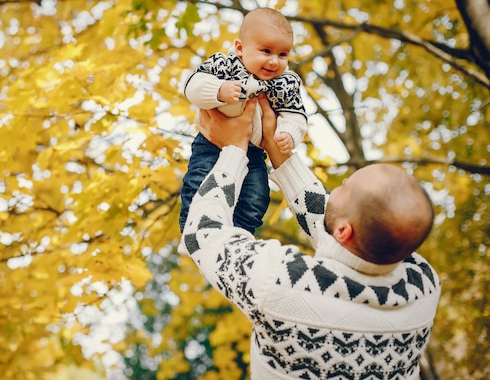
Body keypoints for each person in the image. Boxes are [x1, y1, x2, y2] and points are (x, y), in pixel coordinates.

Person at [179, 94, 440, 380]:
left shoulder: (282, 284)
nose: (336, 189)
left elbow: (201, 235)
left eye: (344, 188)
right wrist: (277, 151)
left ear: (344, 231)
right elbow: (340, 228)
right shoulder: (423, 284)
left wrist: (233, 150)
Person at [179, 8, 307, 234]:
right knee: (200, 181)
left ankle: (240, 236)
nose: (274, 61)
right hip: (211, 144)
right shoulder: (225, 65)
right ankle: (193, 230)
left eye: (283, 54)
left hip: (254, 151)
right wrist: (219, 90)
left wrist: (288, 133)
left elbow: (295, 114)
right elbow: (192, 86)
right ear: (240, 48)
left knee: (256, 195)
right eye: (266, 51)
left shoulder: (285, 83)